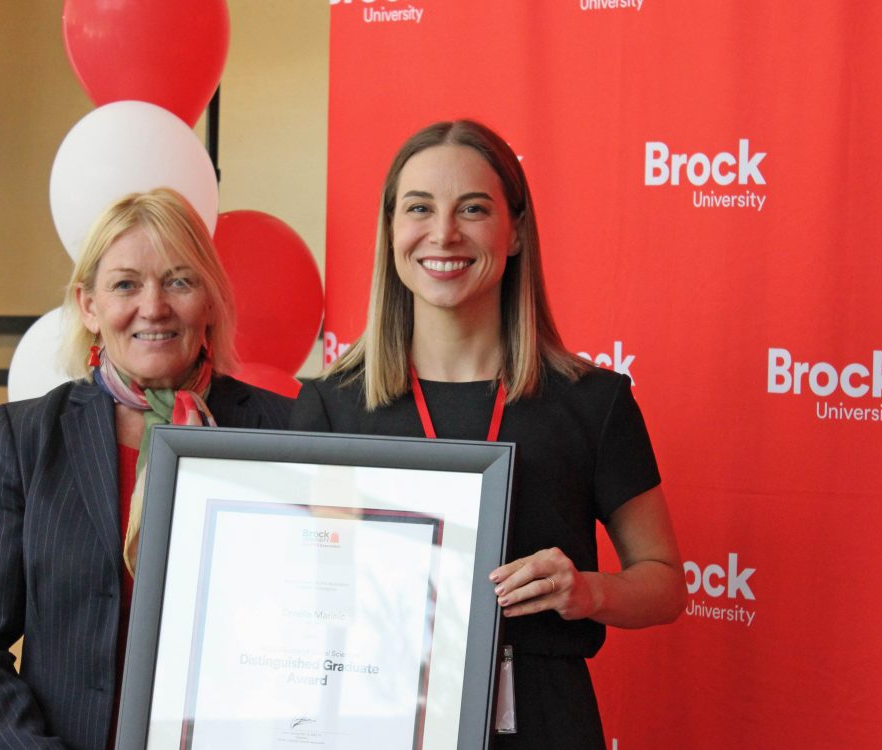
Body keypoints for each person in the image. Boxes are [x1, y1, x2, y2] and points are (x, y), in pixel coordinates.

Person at [290, 120, 685, 748]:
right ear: (392, 230)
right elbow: (294, 590)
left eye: (473, 209)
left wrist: (588, 592)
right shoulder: (330, 406)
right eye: (418, 208)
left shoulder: (593, 402)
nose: (442, 233)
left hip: (545, 723)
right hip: (371, 719)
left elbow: (664, 583)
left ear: (516, 231)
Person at [0, 188, 293, 750]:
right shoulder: (26, 438)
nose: (153, 307)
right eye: (126, 284)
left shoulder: (284, 430)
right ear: (89, 306)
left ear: (210, 300)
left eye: (179, 280)